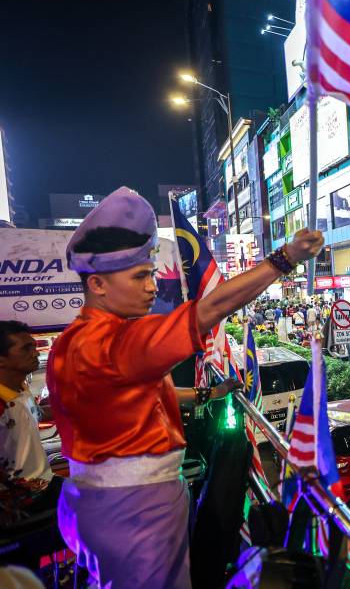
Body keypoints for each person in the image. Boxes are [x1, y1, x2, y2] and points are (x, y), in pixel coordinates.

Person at [46, 187, 322, 588]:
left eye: (150, 275)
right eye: (140, 276)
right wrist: (285, 258)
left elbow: (142, 398)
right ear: (98, 284)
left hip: (101, 504)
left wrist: (213, 392)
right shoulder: (113, 344)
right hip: (136, 509)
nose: (152, 287)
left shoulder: (74, 341)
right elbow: (207, 311)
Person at [0, 321, 60, 514]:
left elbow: (37, 414)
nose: (35, 353)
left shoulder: (21, 390)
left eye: (34, 346)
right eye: (26, 348)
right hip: (20, 499)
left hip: (43, 483)